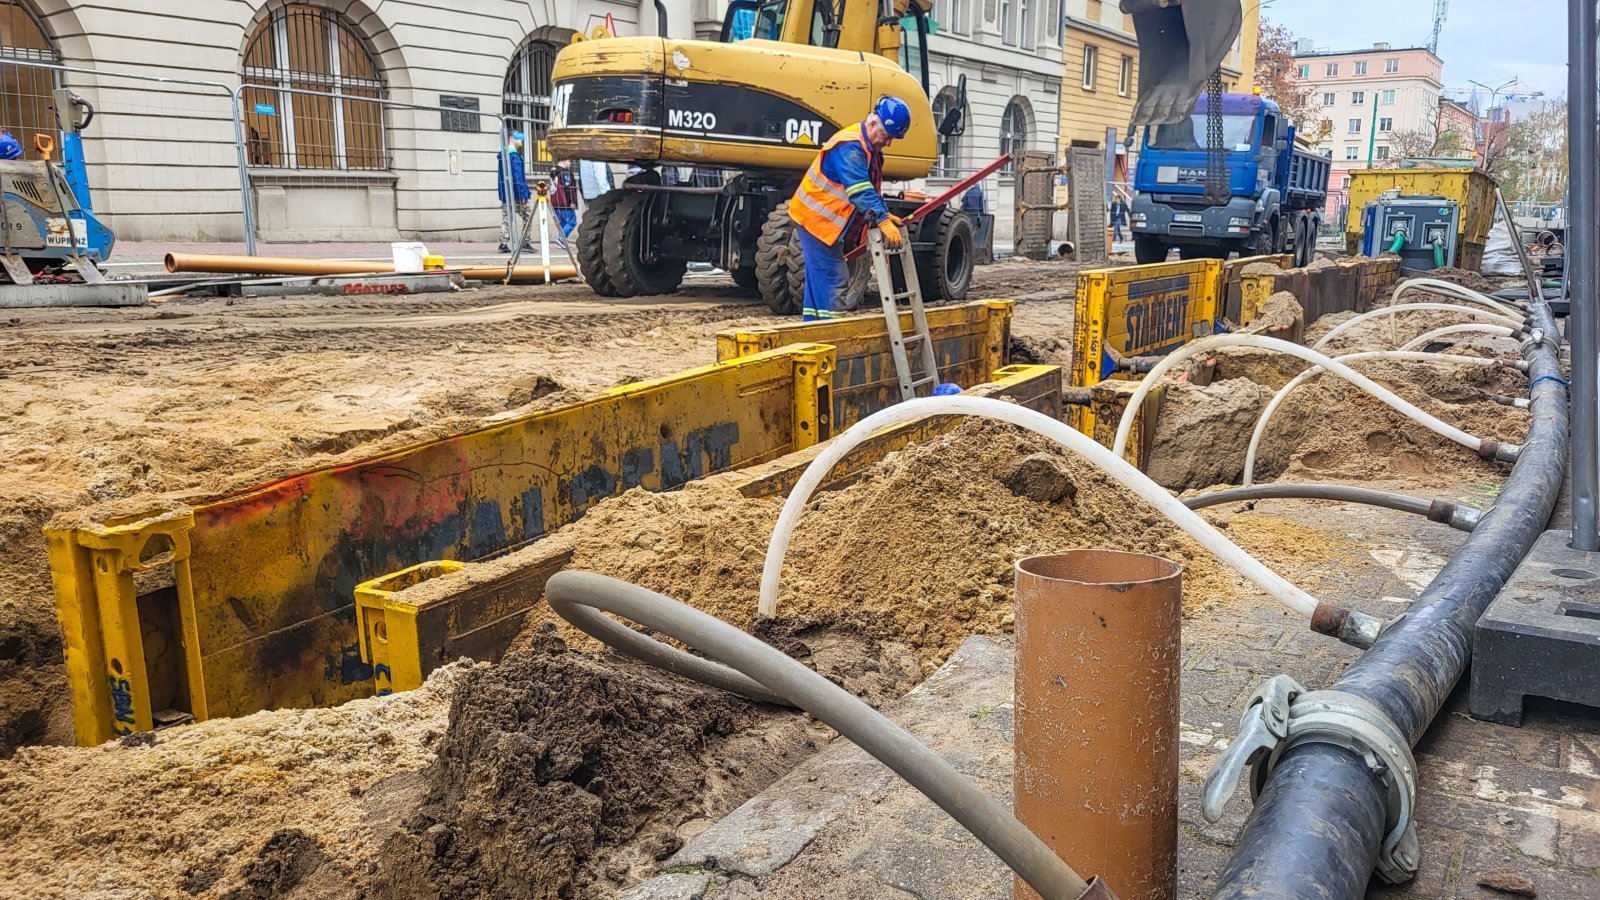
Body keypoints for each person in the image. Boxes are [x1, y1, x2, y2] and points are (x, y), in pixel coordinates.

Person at [787, 95, 911, 321]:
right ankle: (832, 333)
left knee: (819, 281)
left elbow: (870, 188)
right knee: (833, 276)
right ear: (873, 124)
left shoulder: (867, 148)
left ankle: (813, 331)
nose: (888, 143)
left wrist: (883, 212)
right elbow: (859, 190)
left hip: (816, 219)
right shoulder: (851, 147)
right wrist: (881, 220)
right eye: (887, 136)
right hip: (817, 220)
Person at [498, 131, 533, 253]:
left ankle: (503, 243)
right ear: (512, 139)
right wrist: (523, 194)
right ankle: (525, 242)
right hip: (518, 194)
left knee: (507, 217)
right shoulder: (514, 156)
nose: (522, 141)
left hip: (506, 192)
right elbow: (517, 176)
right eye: (520, 139)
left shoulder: (503, 154)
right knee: (528, 216)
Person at [549, 160, 578, 238]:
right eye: (569, 160)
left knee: (562, 224)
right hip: (565, 202)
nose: (570, 163)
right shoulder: (564, 173)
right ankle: (561, 239)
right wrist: (572, 202)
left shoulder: (554, 173)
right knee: (572, 222)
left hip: (555, 201)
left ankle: (562, 242)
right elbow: (568, 189)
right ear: (564, 160)